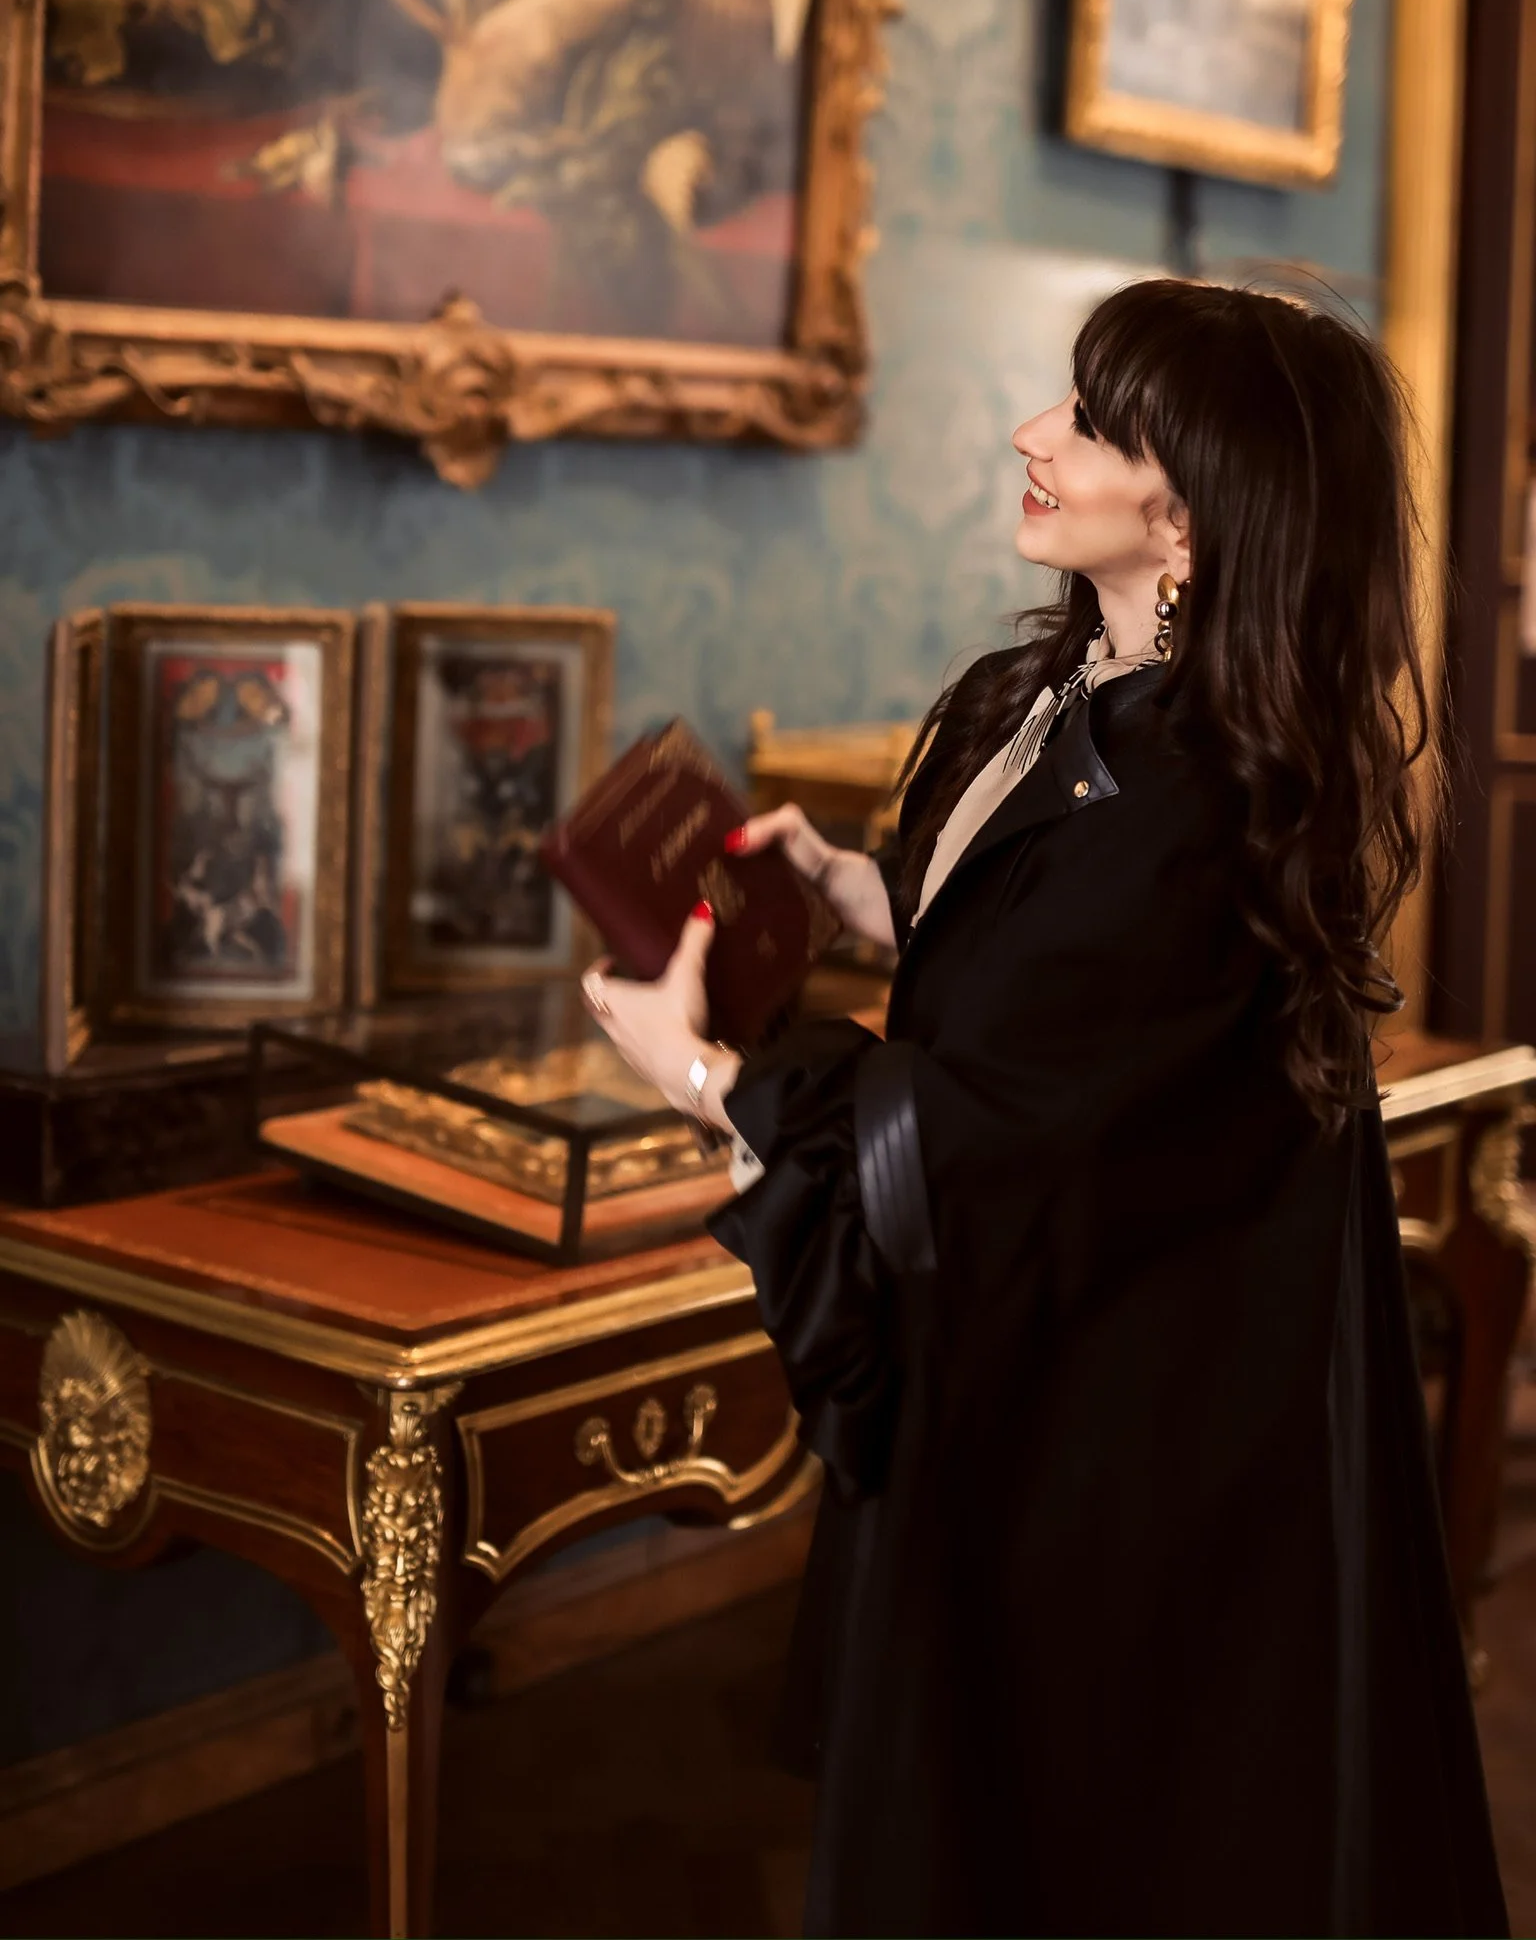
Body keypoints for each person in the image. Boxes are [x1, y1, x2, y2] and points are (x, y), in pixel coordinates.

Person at [580, 277, 1509, 1938]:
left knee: (1072, 1836)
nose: (1032, 436)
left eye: (1086, 423)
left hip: (1124, 1433)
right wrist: (873, 898)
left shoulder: (1201, 800)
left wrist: (702, 1074)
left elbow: (986, 1144)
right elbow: (1057, 975)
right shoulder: (1061, 687)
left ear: (1189, 518)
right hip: (1079, 1367)